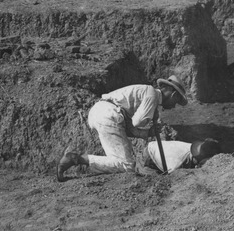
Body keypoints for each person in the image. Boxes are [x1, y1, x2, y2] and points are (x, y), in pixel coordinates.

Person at [58, 76, 188, 179]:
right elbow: (137, 122)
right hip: (108, 114)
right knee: (127, 166)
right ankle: (76, 159)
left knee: (121, 161)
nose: (174, 106)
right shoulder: (152, 95)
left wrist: (148, 133)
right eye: (176, 102)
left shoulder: (149, 95)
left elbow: (128, 126)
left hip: (101, 113)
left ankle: (77, 159)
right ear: (173, 95)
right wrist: (149, 119)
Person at [145, 138, 221, 174]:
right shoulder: (176, 164)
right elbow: (171, 176)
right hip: (149, 155)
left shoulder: (194, 148)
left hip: (159, 147)